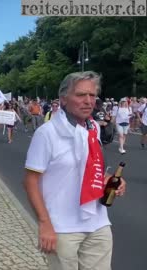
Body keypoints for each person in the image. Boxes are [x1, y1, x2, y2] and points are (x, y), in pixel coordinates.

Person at [23, 71, 127, 270]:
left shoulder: (94, 128)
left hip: (98, 224)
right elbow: (30, 182)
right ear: (63, 99)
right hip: (63, 228)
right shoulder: (47, 133)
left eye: (92, 95)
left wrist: (110, 180)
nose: (88, 101)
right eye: (80, 95)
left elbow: (90, 169)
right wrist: (44, 223)